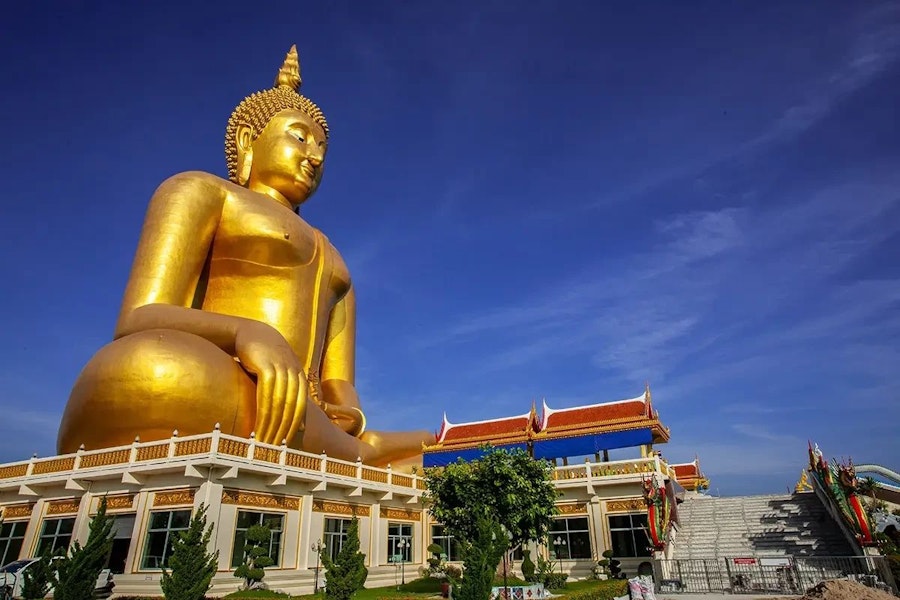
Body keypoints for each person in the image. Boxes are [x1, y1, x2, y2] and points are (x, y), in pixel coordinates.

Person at [57, 46, 432, 467]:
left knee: (431, 440)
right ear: (247, 141)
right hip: (224, 373)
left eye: (323, 148)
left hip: (303, 411)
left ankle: (349, 448)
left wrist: (349, 412)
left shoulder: (335, 259)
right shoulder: (203, 192)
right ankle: (358, 456)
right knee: (149, 369)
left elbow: (338, 382)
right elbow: (139, 316)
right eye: (299, 136)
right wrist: (246, 333)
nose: (316, 156)